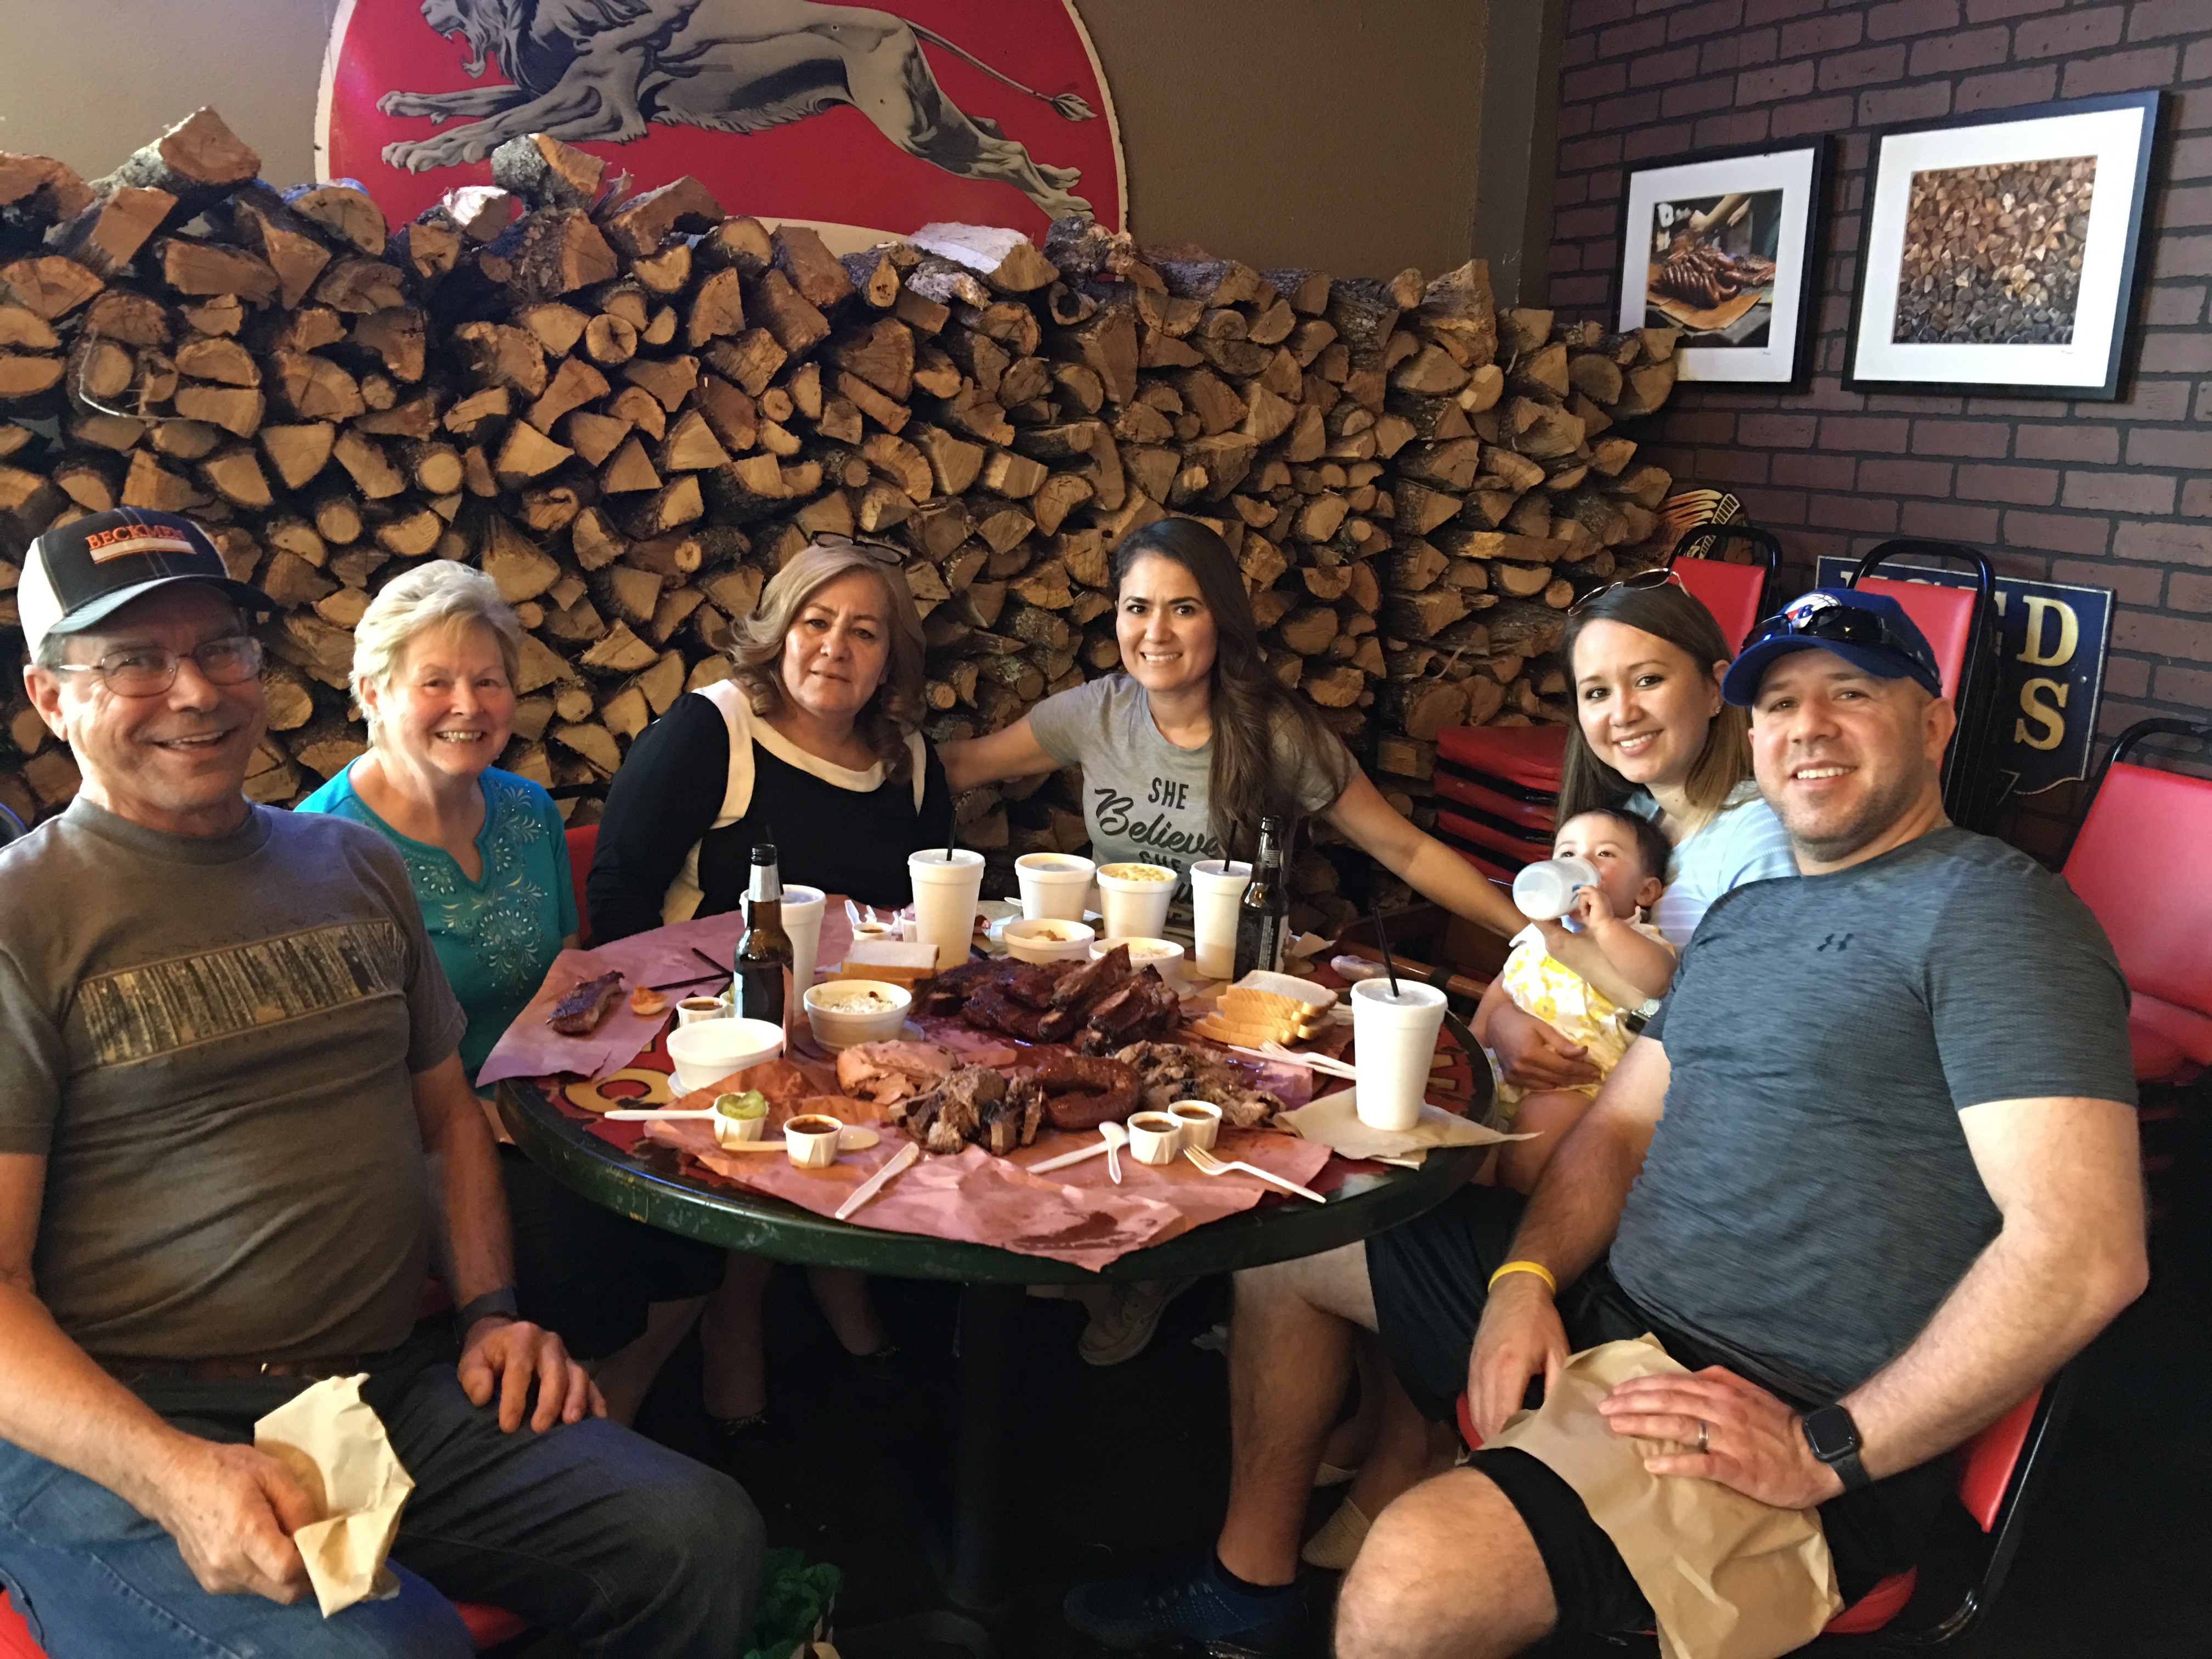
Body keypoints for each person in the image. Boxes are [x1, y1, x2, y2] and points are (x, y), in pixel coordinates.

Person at [1063, 586, 2146, 1657]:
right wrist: (1523, 1280)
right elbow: (1620, 1131)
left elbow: (2084, 1250)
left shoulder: (1994, 914)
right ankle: (1249, 1587)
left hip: (1770, 1403)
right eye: (1780, 704)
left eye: (1851, 693)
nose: (1809, 726)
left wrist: (1829, 1447)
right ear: (1751, 734)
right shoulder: (1750, 916)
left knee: (1413, 1579)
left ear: (1933, 723)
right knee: (1297, 1236)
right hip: (1612, 1312)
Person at [0, 509, 763, 1657]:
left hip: (380, 1385)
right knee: (391, 1649)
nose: (194, 690)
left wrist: (492, 1312)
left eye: (219, 648)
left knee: (700, 1535)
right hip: (126, 1425)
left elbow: (449, 1120)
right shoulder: (22, 918)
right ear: (51, 697)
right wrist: (170, 1471)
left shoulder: (350, 864)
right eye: (134, 662)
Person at [939, 518, 1541, 1363]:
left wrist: (1531, 933)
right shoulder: (1095, 713)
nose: (1155, 631)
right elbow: (960, 766)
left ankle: (1161, 1267)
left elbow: (1401, 847)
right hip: (1113, 980)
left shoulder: (1273, 731)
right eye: (1137, 607)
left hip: (1233, 985)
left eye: (1182, 608)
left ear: (1220, 619)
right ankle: (1096, 1246)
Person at [297, 562, 725, 1425]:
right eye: (436, 681)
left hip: (554, 1107)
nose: (468, 704)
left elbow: (567, 977)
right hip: (417, 1140)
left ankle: (616, 1413)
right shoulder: (321, 850)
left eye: (488, 680)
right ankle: (565, 1444)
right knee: (578, 1238)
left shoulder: (527, 810)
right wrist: (486, 1118)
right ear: (373, 693)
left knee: (698, 1205)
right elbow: (333, 1079)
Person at [589, 539, 951, 1424]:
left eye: (864, 632)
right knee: (772, 1106)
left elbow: (925, 902)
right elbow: (619, 887)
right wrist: (689, 1017)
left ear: (890, 659)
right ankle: (741, 1320)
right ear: (778, 632)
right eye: (815, 621)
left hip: (855, 1025)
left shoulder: (907, 758)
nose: (834, 647)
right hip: (708, 1022)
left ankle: (832, 1289)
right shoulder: (712, 730)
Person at [1472, 806, 1675, 1193]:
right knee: (1470, 1155)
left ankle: (1516, 1206)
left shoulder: (1641, 941)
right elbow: (1502, 989)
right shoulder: (1536, 937)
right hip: (1501, 1072)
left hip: (1577, 1088)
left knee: (1533, 1149)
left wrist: (1606, 926)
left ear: (1646, 892)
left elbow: (1659, 984)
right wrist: (1475, 1041)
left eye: (1605, 854)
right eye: (1567, 854)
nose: (1581, 864)